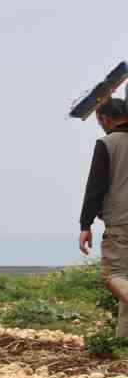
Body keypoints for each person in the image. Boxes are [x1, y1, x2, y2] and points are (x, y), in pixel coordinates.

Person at [80, 98, 128, 336]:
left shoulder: (107, 143)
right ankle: (123, 343)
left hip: (121, 222)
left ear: (105, 119)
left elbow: (95, 187)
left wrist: (85, 224)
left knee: (113, 276)